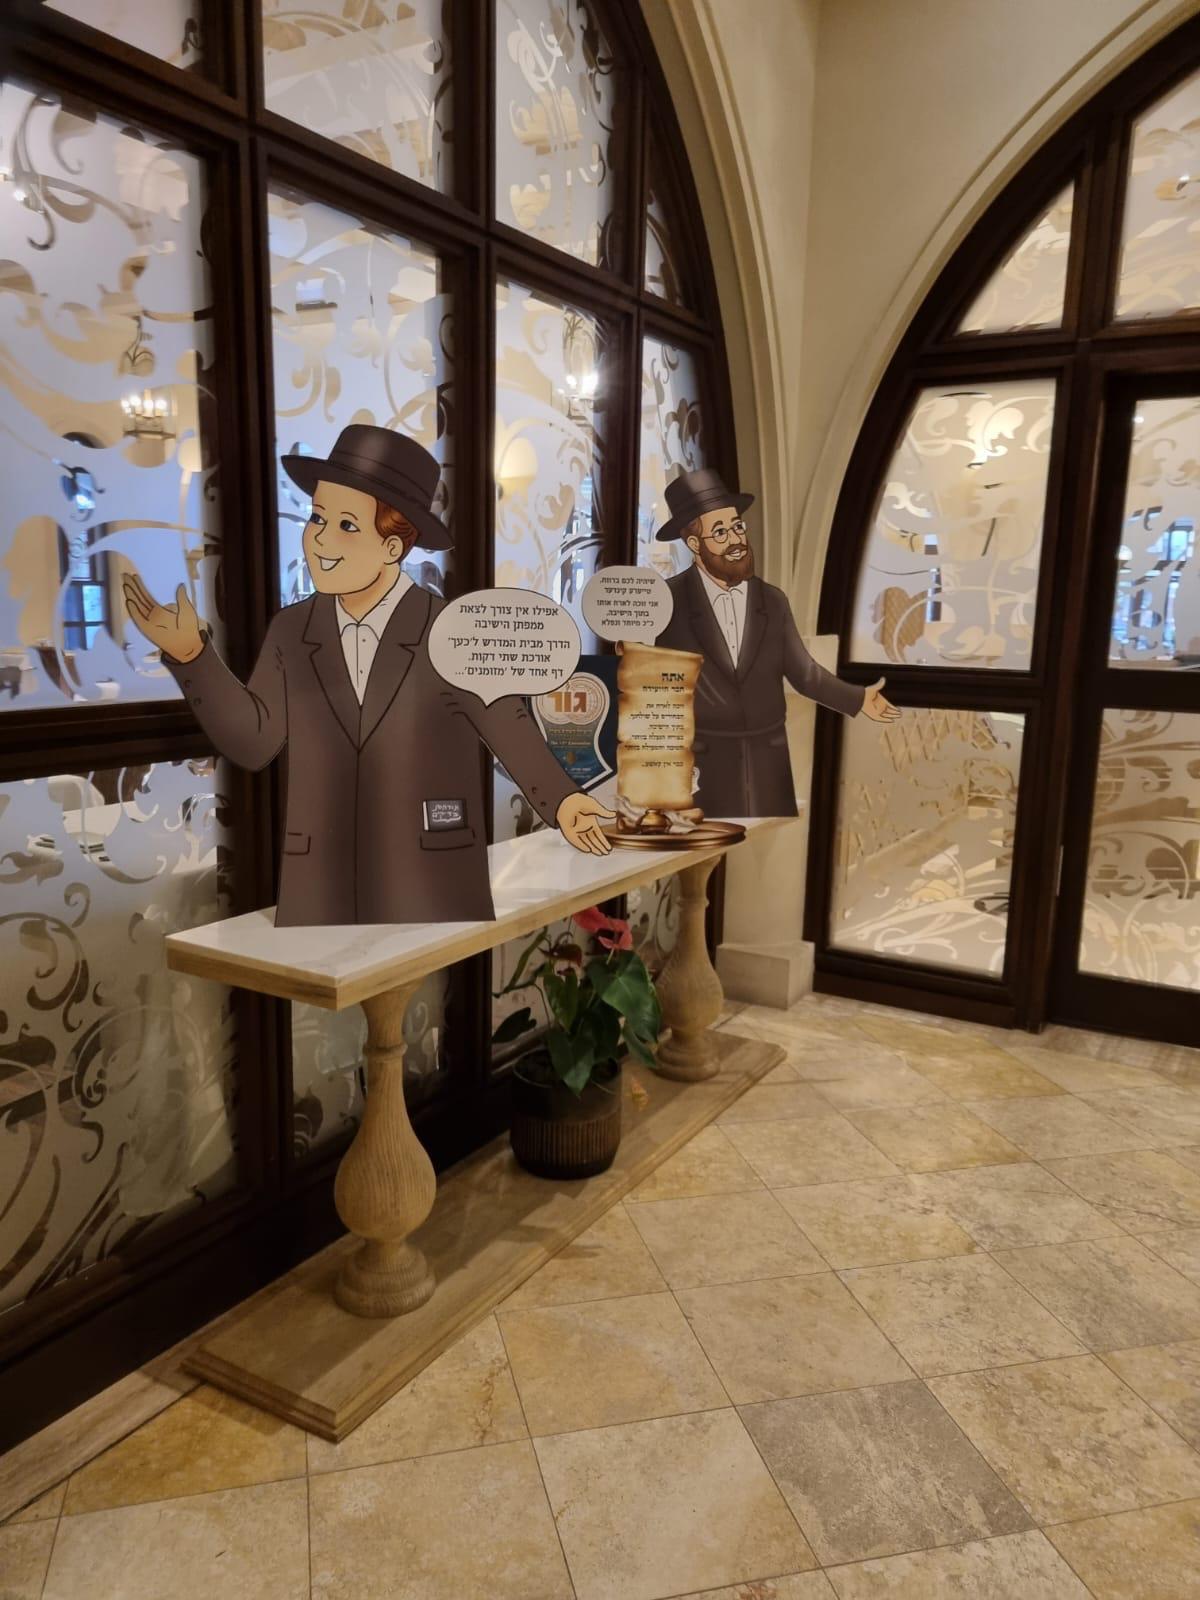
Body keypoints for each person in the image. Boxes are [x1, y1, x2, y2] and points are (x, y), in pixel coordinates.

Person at [123, 425, 613, 925]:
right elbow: (255, 741)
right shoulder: (291, 631)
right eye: (317, 517)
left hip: (430, 874)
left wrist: (565, 801)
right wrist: (192, 655)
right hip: (320, 880)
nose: (320, 539)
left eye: (347, 525)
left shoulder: (450, 629)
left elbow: (506, 723)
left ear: (393, 548)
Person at [653, 467, 899, 818]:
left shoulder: (772, 600)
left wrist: (857, 698)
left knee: (761, 845)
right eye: (720, 532)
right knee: (707, 847)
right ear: (694, 544)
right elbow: (656, 686)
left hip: (767, 759)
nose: (736, 540)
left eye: (737, 526)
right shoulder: (668, 601)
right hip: (702, 764)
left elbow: (804, 673)